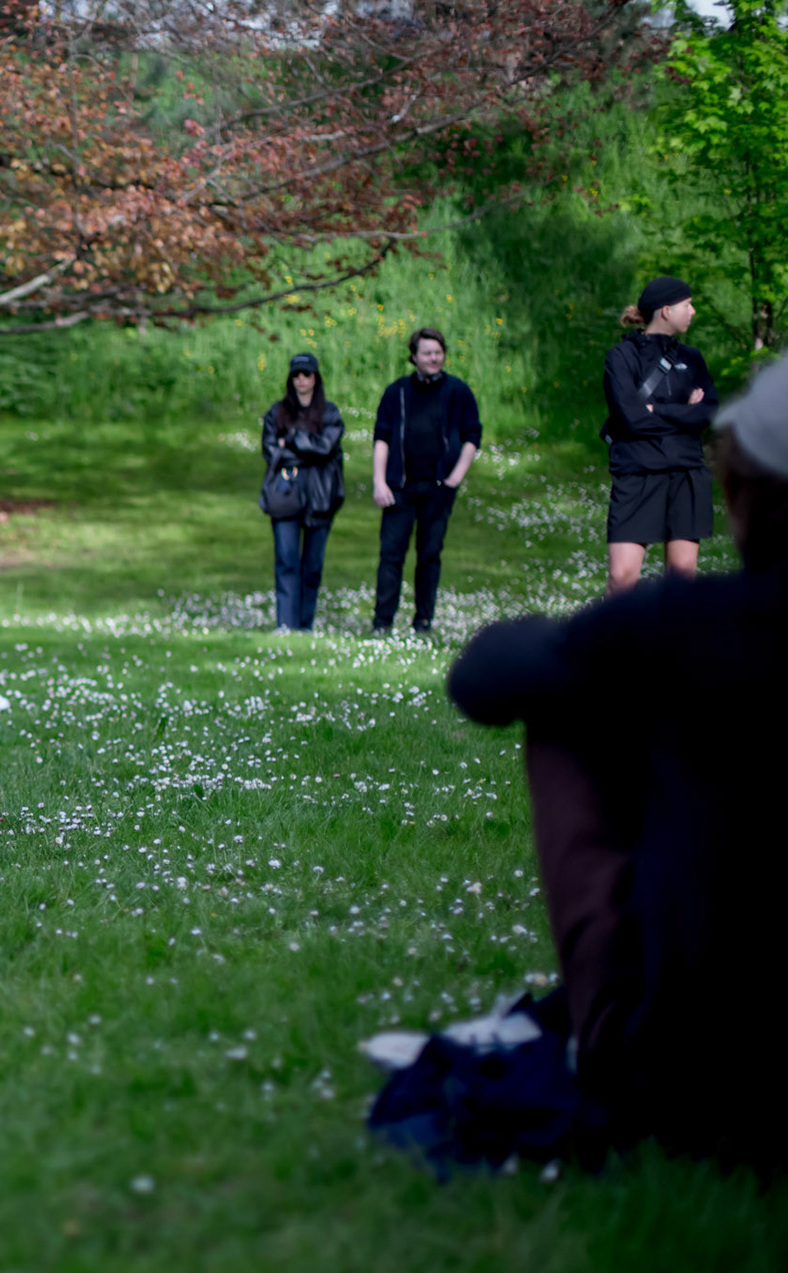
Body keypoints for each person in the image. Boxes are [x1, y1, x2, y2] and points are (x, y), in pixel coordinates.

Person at [446, 357, 788, 1166]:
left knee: (566, 705)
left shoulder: (690, 629)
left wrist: (599, 647)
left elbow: (486, 678)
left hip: (704, 1090)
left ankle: (615, 1033)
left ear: (746, 494)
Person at [601, 276, 719, 595]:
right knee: (621, 578)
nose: (693, 311)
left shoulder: (692, 359)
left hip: (686, 472)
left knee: (681, 581)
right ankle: (614, 644)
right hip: (637, 473)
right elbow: (630, 418)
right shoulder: (621, 358)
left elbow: (709, 412)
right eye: (687, 305)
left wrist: (658, 411)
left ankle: (671, 646)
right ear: (666, 311)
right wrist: (685, 414)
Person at [370, 328, 482, 635]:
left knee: (429, 555)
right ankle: (382, 622)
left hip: (437, 489)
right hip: (399, 489)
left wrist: (455, 478)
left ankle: (423, 622)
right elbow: (381, 438)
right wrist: (379, 482)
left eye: (438, 352)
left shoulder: (458, 392)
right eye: (427, 353)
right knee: (391, 555)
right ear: (414, 357)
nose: (434, 358)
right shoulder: (397, 392)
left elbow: (473, 435)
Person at [260, 353, 346, 632]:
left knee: (312, 565)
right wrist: (306, 450)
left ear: (315, 378)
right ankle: (285, 624)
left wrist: (293, 440)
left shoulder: (329, 413)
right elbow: (271, 451)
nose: (302, 380)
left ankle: (304, 625)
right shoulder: (277, 412)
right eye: (297, 375)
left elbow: (326, 448)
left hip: (320, 496)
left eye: (307, 374)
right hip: (286, 494)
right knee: (286, 560)